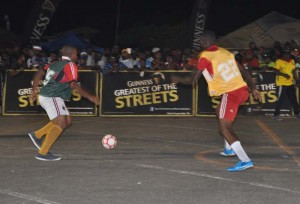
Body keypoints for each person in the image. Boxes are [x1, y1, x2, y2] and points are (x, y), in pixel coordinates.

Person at [171, 30, 261, 172]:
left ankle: (245, 160)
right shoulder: (225, 52)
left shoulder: (205, 56)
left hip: (231, 93)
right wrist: (254, 87)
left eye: (200, 41)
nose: (200, 43)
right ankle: (228, 149)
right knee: (219, 110)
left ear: (205, 42)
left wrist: (178, 80)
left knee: (225, 128)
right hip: (242, 90)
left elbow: (193, 80)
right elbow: (243, 71)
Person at [28, 45, 100, 161]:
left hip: (52, 97)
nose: (77, 56)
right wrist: (90, 97)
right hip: (51, 97)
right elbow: (73, 85)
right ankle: (43, 152)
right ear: (71, 55)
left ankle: (37, 135)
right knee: (61, 122)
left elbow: (40, 72)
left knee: (67, 121)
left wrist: (34, 90)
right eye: (76, 54)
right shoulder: (70, 65)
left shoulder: (55, 63)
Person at [272, 48, 300, 121]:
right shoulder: (279, 61)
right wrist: (284, 75)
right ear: (283, 54)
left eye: (287, 54)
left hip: (290, 83)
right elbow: (275, 71)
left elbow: (293, 71)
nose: (286, 55)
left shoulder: (292, 61)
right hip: (281, 83)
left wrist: (297, 80)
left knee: (293, 99)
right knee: (281, 99)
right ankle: (276, 115)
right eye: (285, 54)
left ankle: (297, 114)